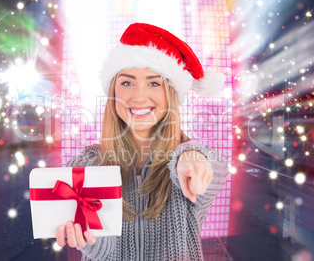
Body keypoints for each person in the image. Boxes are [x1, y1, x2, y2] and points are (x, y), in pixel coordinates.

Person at [56, 23, 229, 261]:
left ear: (170, 95)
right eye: (127, 82)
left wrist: (192, 155)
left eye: (154, 83)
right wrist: (91, 244)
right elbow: (102, 250)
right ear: (113, 93)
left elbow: (215, 169)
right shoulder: (87, 167)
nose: (138, 96)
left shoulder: (187, 169)